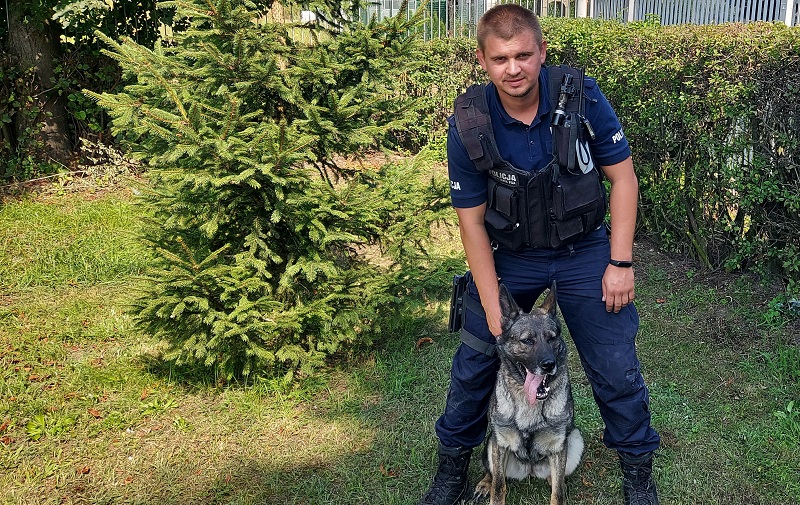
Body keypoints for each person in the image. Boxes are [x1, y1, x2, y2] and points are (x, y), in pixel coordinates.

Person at [418, 5, 661, 505]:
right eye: (500, 58)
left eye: (524, 55)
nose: (514, 69)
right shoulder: (469, 122)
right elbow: (471, 222)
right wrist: (492, 304)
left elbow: (624, 179)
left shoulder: (582, 97)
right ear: (483, 60)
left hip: (583, 250)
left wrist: (620, 263)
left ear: (542, 52)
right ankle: (451, 471)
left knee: (615, 365)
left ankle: (637, 470)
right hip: (512, 256)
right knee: (475, 361)